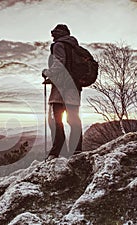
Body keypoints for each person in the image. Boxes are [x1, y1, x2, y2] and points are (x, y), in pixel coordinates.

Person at [42, 24, 82, 159]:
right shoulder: (75, 47)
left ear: (57, 34)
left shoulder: (59, 45)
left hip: (61, 89)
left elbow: (60, 63)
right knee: (74, 120)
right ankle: (77, 151)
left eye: (54, 33)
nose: (52, 36)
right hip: (75, 88)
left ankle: (57, 151)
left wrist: (47, 72)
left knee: (56, 120)